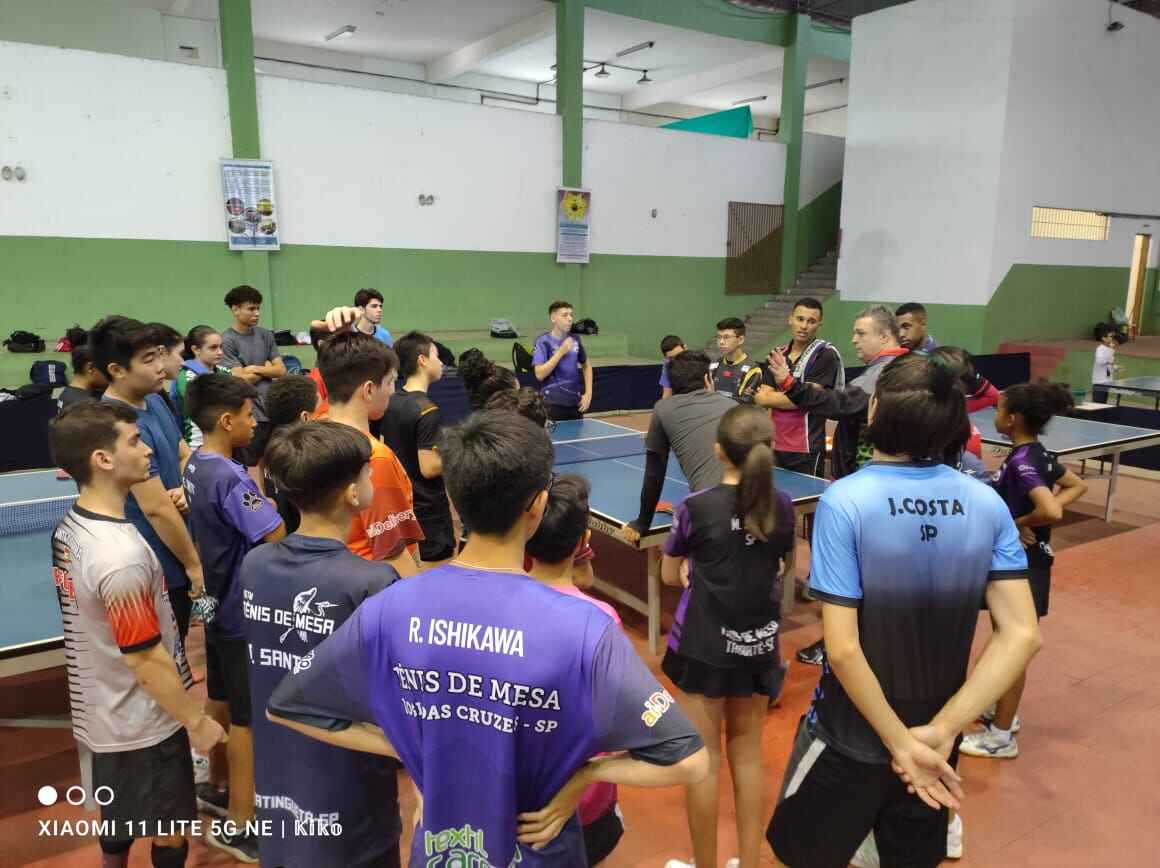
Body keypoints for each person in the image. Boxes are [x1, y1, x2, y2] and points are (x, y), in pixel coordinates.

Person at [265, 410, 709, 867]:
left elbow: (288, 705)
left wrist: (412, 746)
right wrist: (590, 772)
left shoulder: (387, 608)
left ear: (455, 497)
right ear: (536, 506)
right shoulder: (584, 629)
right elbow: (688, 760)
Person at [766, 352, 1043, 868]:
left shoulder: (845, 500)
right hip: (936, 741)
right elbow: (1023, 634)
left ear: (875, 412)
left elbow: (844, 649)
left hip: (847, 736)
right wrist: (937, 735)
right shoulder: (986, 503)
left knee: (800, 857)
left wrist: (900, 745)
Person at [48, 402, 226, 868]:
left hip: (101, 710)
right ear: (102, 459)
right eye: (133, 440)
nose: (147, 448)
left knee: (119, 814)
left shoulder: (70, 528)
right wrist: (196, 720)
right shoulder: (120, 558)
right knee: (169, 833)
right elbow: (145, 659)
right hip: (144, 722)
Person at [242, 420, 404, 868]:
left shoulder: (254, 564)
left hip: (276, 780)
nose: (371, 480)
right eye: (367, 473)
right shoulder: (372, 581)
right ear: (353, 494)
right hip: (350, 797)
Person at [661, 406, 796, 868]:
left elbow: (668, 573)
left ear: (720, 451)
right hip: (759, 644)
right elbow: (779, 567)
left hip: (703, 647)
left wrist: (687, 570)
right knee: (748, 754)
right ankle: (751, 863)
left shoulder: (695, 507)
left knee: (704, 760)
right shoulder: (782, 505)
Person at [182, 374, 286, 861]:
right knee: (245, 721)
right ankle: (244, 824)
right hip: (241, 614)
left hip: (216, 608)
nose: (254, 422)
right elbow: (274, 534)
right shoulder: (231, 477)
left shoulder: (195, 464)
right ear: (227, 420)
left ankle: (217, 786)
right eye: (249, 415)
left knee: (219, 699)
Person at [768, 306, 907, 665]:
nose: (855, 339)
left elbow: (841, 404)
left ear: (885, 336)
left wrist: (790, 386)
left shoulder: (885, 372)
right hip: (878, 481)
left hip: (867, 483)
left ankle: (839, 646)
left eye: (861, 333)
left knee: (849, 565)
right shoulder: (902, 367)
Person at [960, 382, 1087, 761]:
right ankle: (1003, 713)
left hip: (1022, 567)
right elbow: (1076, 486)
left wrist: (1019, 522)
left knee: (1011, 647)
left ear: (1012, 419)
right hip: (1031, 563)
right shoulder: (1039, 454)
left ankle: (1002, 734)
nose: (995, 414)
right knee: (1005, 640)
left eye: (999, 409)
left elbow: (1051, 509)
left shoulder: (1022, 462)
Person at [525, 474, 626, 866]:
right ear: (583, 542)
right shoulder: (603, 620)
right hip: (585, 801)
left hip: (517, 797)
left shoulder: (490, 607)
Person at [93, 315, 204, 641]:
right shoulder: (115, 424)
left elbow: (184, 453)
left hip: (180, 542)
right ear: (116, 370)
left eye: (158, 354)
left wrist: (186, 487)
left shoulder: (155, 399)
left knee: (178, 651)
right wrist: (194, 564)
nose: (160, 365)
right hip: (155, 563)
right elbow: (155, 508)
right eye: (148, 359)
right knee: (163, 656)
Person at [316, 330, 423, 577]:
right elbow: (394, 554)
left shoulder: (313, 429)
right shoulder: (374, 458)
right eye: (390, 382)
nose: (392, 391)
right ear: (368, 390)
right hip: (371, 585)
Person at [622, 351, 735, 545]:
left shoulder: (663, 409)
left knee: (675, 569)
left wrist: (642, 522)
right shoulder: (732, 405)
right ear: (708, 380)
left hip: (708, 507)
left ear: (672, 386)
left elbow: (654, 474)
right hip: (758, 499)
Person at [380, 331, 455, 566]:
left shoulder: (391, 402)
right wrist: (461, 452)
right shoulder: (427, 410)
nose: (441, 362)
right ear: (422, 360)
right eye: (436, 356)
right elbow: (430, 467)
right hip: (429, 515)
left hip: (402, 508)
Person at [754, 298, 844, 477]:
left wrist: (778, 397)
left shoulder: (825, 355)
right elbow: (762, 398)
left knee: (804, 503)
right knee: (775, 500)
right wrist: (793, 397)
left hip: (806, 448)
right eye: (800, 319)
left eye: (811, 321)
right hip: (775, 444)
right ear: (790, 319)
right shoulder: (776, 354)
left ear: (819, 325)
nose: (804, 326)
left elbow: (810, 398)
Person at [220, 285, 286, 479]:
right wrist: (266, 368)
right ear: (235, 309)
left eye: (258, 308)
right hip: (251, 413)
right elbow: (240, 380)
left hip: (272, 410)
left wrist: (253, 368)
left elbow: (281, 370)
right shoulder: (227, 340)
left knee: (274, 462)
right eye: (251, 308)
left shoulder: (265, 335)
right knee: (252, 465)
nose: (256, 313)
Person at [262, 375, 322, 533]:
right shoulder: (305, 458)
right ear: (305, 417)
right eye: (321, 412)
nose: (325, 418)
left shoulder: (270, 444)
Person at [533, 300, 593, 421]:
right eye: (565, 315)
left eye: (571, 315)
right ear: (553, 318)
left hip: (575, 404)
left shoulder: (575, 339)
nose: (570, 319)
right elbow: (539, 374)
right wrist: (561, 352)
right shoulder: (543, 341)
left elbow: (587, 365)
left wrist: (588, 394)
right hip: (552, 404)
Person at [175, 325, 229, 448]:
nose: (220, 352)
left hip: (223, 441)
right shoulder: (187, 377)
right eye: (213, 348)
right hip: (196, 444)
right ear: (196, 350)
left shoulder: (224, 372)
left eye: (221, 347)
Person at [709, 317, 765, 403]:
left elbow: (744, 403)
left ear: (740, 340)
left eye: (726, 337)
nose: (721, 342)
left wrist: (714, 397)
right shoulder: (713, 366)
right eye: (719, 337)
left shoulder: (753, 370)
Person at [57, 325, 108, 410]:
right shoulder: (87, 405)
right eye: (105, 368)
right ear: (90, 368)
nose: (110, 375)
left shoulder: (67, 393)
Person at [148, 323, 185, 426]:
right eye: (180, 354)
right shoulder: (150, 399)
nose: (183, 362)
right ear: (161, 352)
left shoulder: (158, 395)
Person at [1090, 325, 1121, 403]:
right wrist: (1111, 351)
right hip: (1099, 383)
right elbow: (1100, 361)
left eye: (1114, 336)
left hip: (1107, 381)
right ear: (1104, 338)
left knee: (1103, 405)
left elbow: (1108, 364)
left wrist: (1115, 368)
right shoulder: (1100, 349)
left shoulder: (1110, 349)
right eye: (1111, 336)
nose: (1113, 338)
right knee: (1097, 406)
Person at [659, 335, 686, 401]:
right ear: (665, 357)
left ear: (685, 348)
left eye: (679, 355)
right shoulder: (667, 365)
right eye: (671, 358)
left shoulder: (697, 361)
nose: (676, 360)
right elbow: (666, 395)